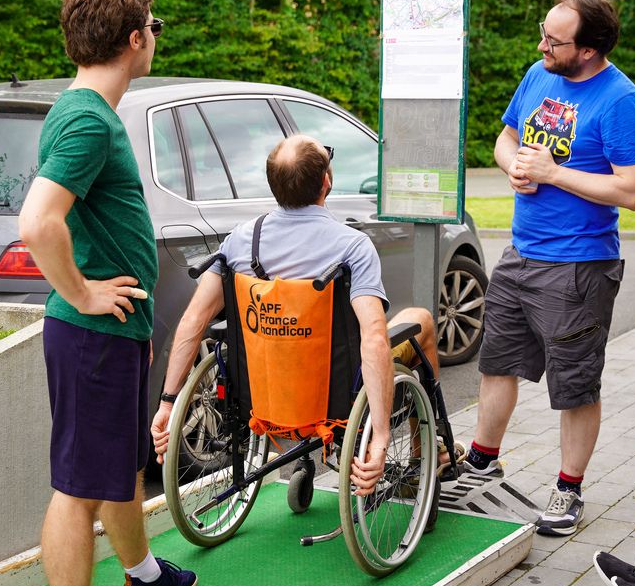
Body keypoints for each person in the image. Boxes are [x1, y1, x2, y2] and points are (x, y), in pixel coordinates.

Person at [19, 0, 197, 586]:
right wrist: (87, 295)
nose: (156, 34)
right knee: (78, 486)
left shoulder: (84, 106)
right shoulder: (89, 119)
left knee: (120, 465)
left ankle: (143, 576)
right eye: (152, 24)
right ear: (133, 37)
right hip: (92, 335)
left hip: (116, 334)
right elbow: (38, 222)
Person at [151, 134, 441, 494]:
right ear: (327, 182)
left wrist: (168, 402)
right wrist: (380, 436)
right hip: (335, 394)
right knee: (421, 321)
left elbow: (194, 322)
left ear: (274, 186)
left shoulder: (240, 242)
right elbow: (374, 338)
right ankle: (428, 452)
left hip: (263, 387)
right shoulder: (352, 247)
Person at [460, 0, 635, 535]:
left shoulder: (621, 101)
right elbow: (507, 136)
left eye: (554, 39)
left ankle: (568, 490)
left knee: (574, 384)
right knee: (497, 363)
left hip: (579, 267)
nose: (541, 44)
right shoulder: (540, 75)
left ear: (587, 49)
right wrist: (514, 163)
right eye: (543, 32)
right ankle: (482, 460)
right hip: (520, 253)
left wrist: (551, 173)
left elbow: (632, 191)